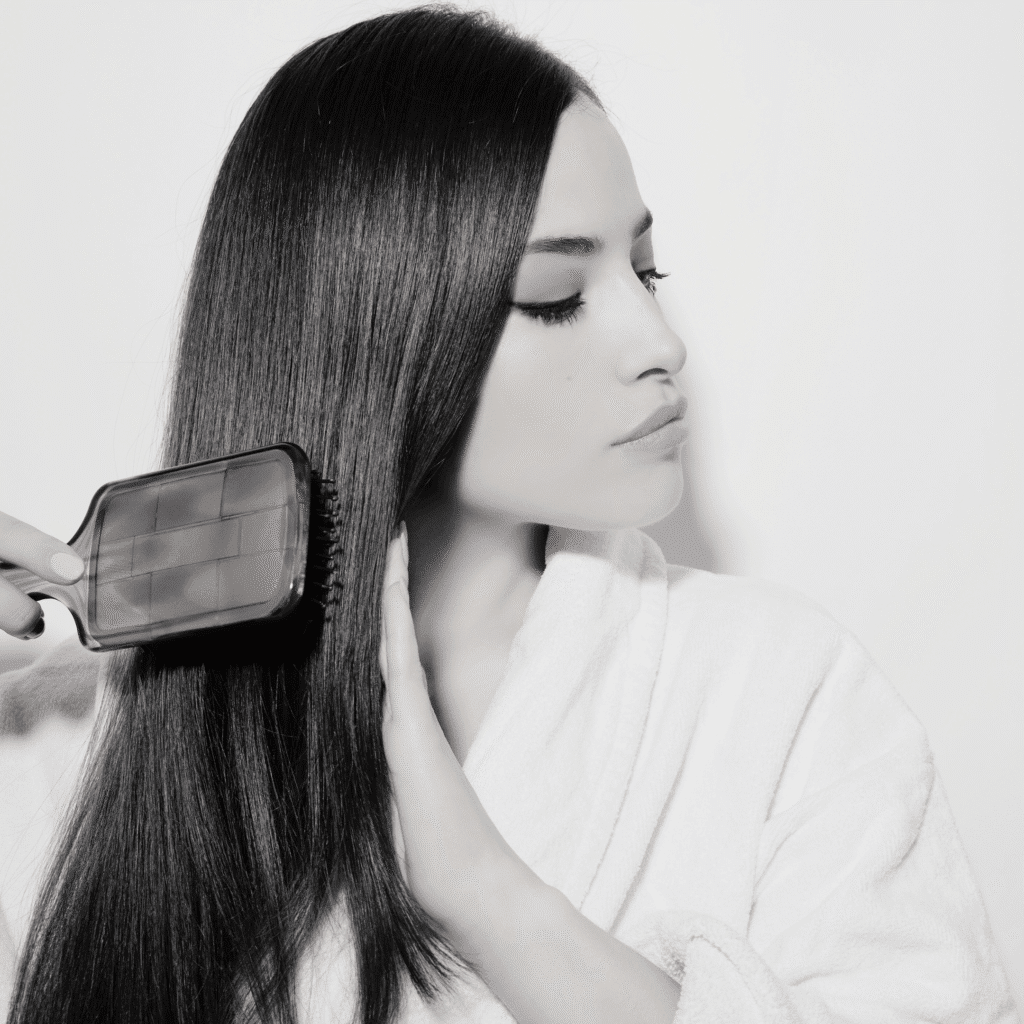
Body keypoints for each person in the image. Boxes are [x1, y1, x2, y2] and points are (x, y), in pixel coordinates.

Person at [0, 6, 1017, 1024]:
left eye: (647, 270)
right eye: (555, 293)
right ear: (375, 336)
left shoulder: (786, 698)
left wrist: (489, 893)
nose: (659, 340)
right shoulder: (70, 743)